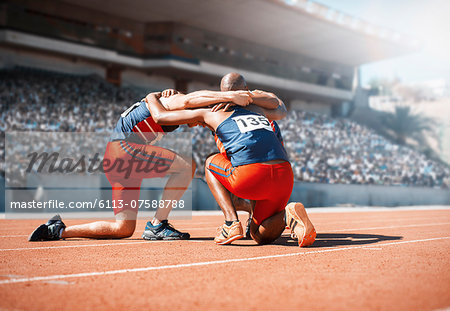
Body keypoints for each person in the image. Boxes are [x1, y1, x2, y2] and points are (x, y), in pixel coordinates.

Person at [28, 90, 253, 241]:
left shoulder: (160, 103)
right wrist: (230, 95)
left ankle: (59, 230)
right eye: (200, 117)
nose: (197, 123)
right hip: (124, 150)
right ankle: (157, 224)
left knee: (123, 228)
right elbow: (186, 101)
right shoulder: (171, 101)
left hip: (117, 159)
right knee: (187, 166)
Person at [145, 84, 316, 247]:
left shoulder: (212, 112)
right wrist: (245, 97)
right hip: (284, 178)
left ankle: (230, 223)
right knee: (259, 235)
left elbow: (162, 117)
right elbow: (278, 105)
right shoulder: (260, 111)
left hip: (252, 175)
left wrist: (152, 96)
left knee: (211, 161)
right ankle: (287, 215)